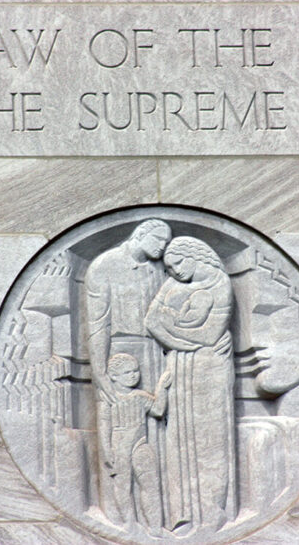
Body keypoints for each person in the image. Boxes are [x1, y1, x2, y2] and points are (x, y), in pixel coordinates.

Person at [145, 236, 236, 535]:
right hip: (181, 367)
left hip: (210, 370)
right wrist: (183, 340)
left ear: (195, 255)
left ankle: (213, 513)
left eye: (178, 264)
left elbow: (210, 335)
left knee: (210, 438)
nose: (175, 272)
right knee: (178, 438)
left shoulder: (219, 283)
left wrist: (173, 332)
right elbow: (150, 322)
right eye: (169, 268)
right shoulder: (173, 285)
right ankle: (182, 515)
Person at [83, 219, 172, 525]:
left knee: (155, 449)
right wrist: (100, 372)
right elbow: (97, 324)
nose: (163, 247)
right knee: (120, 473)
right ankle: (124, 522)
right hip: (121, 350)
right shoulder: (104, 265)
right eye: (159, 239)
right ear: (141, 234)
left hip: (160, 350)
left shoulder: (159, 268)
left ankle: (158, 520)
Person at [99, 353, 172, 533]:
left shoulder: (140, 396)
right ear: (114, 376)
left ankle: (155, 526)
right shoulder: (108, 400)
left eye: (135, 371)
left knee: (150, 483)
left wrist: (162, 388)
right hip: (119, 446)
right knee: (123, 486)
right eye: (127, 372)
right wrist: (107, 451)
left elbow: (158, 409)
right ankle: (129, 525)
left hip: (140, 443)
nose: (133, 375)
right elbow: (103, 426)